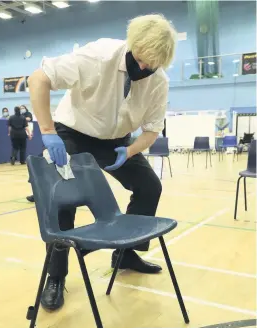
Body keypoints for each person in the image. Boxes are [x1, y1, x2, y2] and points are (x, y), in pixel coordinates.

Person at [28, 14, 176, 311]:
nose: (145, 68)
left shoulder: (158, 81)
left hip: (117, 141)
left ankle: (127, 255)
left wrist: (131, 150)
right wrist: (48, 132)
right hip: (74, 132)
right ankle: (55, 276)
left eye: (153, 65)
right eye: (141, 60)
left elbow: (151, 130)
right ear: (132, 46)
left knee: (149, 187)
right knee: (63, 202)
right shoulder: (98, 55)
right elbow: (39, 78)